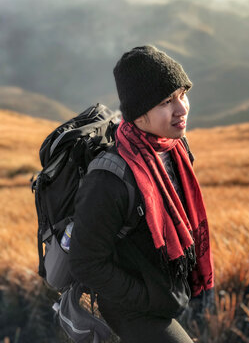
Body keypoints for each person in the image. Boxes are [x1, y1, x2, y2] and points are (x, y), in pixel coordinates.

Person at [69, 45, 214, 343]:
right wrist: (148, 297)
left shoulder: (175, 149)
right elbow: (86, 263)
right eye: (165, 101)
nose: (182, 108)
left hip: (168, 291)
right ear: (137, 113)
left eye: (182, 94)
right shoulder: (108, 179)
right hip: (133, 309)